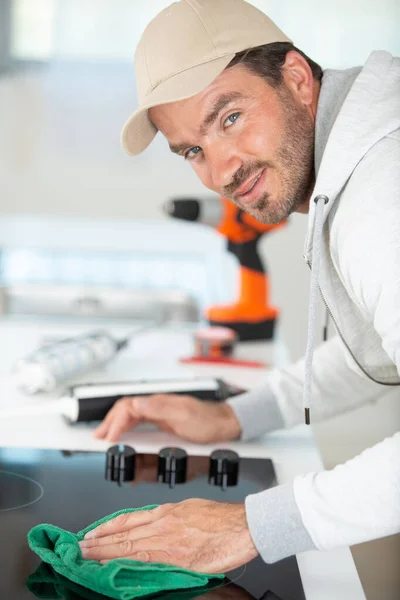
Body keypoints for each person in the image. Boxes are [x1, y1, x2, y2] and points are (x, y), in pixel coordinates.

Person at [79, 0, 400, 572]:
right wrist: (240, 415)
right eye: (193, 151)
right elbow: (373, 349)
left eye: (229, 117)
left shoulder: (380, 200)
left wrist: (254, 524)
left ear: (296, 79)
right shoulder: (360, 152)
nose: (221, 170)